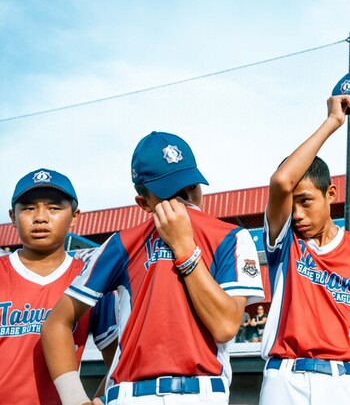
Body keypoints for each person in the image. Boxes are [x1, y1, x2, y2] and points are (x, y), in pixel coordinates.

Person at [42, 132, 265, 405]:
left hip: (199, 390)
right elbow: (56, 322)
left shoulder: (230, 237)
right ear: (143, 203)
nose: (185, 199)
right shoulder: (122, 243)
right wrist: (76, 400)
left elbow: (225, 326)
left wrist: (185, 250)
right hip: (131, 393)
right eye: (170, 193)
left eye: (190, 186)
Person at [259, 94, 350, 405]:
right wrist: (332, 122)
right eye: (292, 203)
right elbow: (282, 180)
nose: (297, 213)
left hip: (344, 383)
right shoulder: (286, 243)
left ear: (331, 194)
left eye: (306, 200)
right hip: (284, 379)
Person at [0, 168, 116, 405]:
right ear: (13, 216)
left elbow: (117, 361)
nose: (40, 217)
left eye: (54, 208)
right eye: (29, 208)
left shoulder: (89, 280)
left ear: (74, 217)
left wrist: (98, 399)